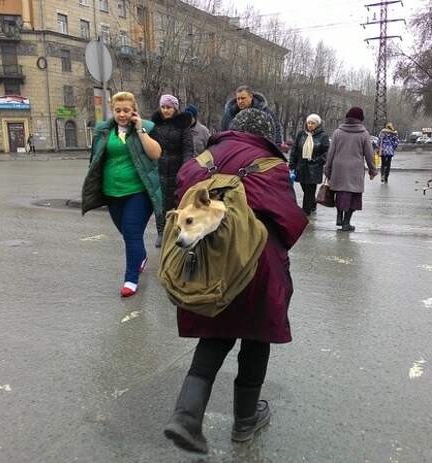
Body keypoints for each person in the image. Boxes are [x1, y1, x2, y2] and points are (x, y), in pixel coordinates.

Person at [163, 108, 308, 454]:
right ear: (266, 135)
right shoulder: (272, 166)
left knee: (215, 335)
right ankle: (245, 421)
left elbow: (179, 199)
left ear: (231, 130)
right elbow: (290, 221)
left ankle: (186, 416)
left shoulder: (200, 161)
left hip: (209, 265)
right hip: (258, 265)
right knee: (256, 338)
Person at [81, 91, 162, 297]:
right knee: (126, 233)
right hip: (112, 192)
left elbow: (155, 154)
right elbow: (96, 158)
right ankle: (141, 256)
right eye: (118, 110)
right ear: (113, 111)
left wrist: (140, 129)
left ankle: (130, 279)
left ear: (133, 110)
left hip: (138, 192)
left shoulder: (145, 128)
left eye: (126, 110)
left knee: (132, 233)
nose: (122, 114)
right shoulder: (104, 131)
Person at [324, 107, 377, 232]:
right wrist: (372, 170)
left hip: (338, 168)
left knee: (340, 193)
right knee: (353, 197)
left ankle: (339, 216)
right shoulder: (364, 134)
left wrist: (328, 169)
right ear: (360, 119)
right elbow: (369, 154)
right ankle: (346, 223)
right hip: (355, 169)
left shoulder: (337, 132)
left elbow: (330, 153)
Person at [151, 94, 194, 248]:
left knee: (177, 202)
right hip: (159, 168)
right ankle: (161, 232)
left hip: (177, 169)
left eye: (168, 107)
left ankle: (177, 230)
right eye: (163, 107)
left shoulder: (183, 125)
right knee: (160, 203)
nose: (165, 110)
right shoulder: (154, 124)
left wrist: (186, 169)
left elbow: (188, 149)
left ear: (175, 108)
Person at [288, 114, 330, 215]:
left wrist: (318, 160)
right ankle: (313, 203)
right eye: (308, 123)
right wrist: (292, 163)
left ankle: (305, 212)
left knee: (309, 190)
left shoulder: (323, 136)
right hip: (301, 166)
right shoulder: (301, 134)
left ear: (318, 124)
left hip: (314, 168)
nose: (310, 125)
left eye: (313, 123)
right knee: (304, 188)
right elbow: (295, 149)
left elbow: (327, 152)